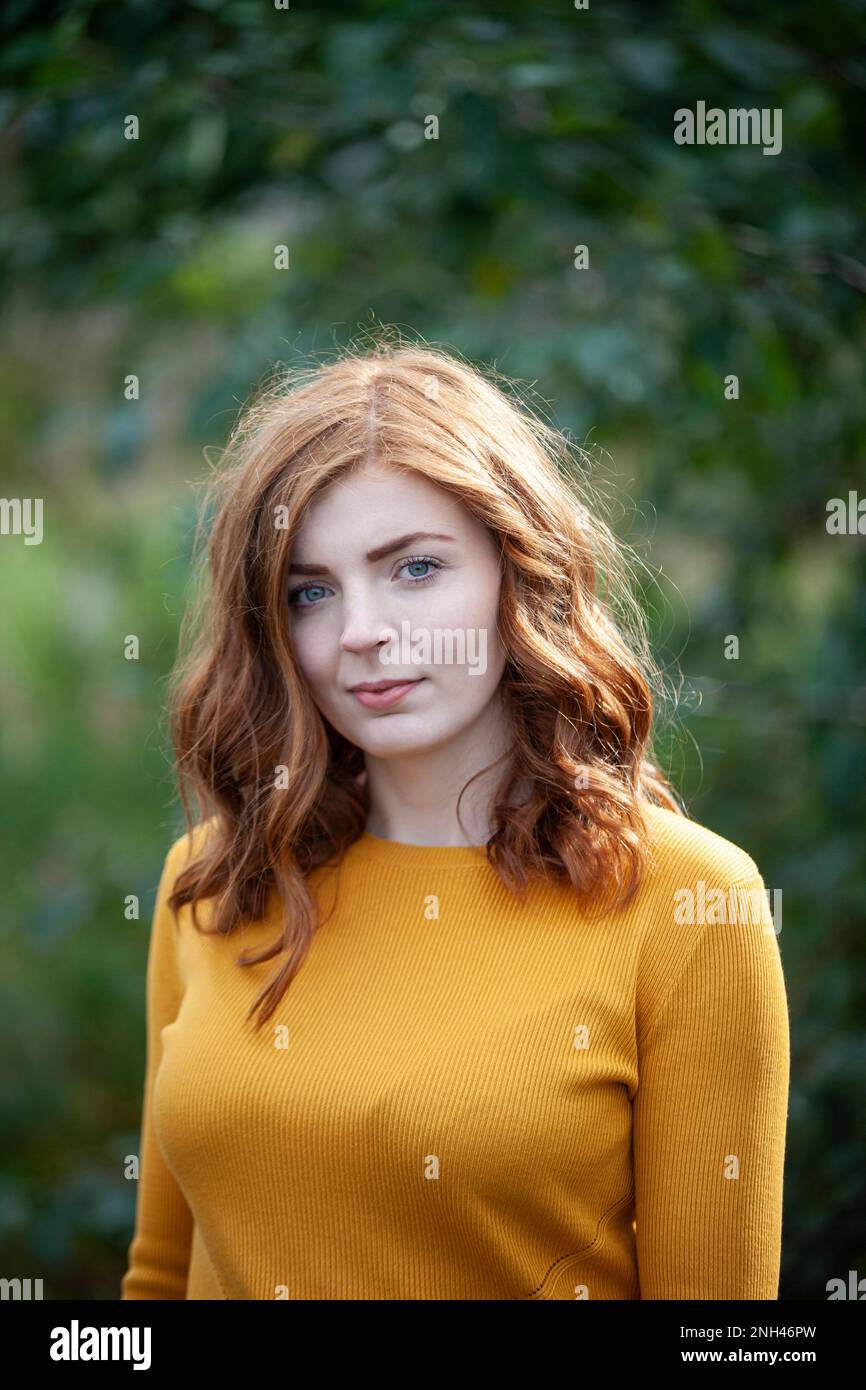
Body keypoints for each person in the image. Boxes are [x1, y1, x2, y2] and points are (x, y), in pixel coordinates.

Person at [120, 338, 790, 1300]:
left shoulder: (690, 904)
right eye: (311, 591)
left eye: (415, 569)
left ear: (519, 570)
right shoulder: (217, 879)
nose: (361, 630)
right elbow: (158, 1276)